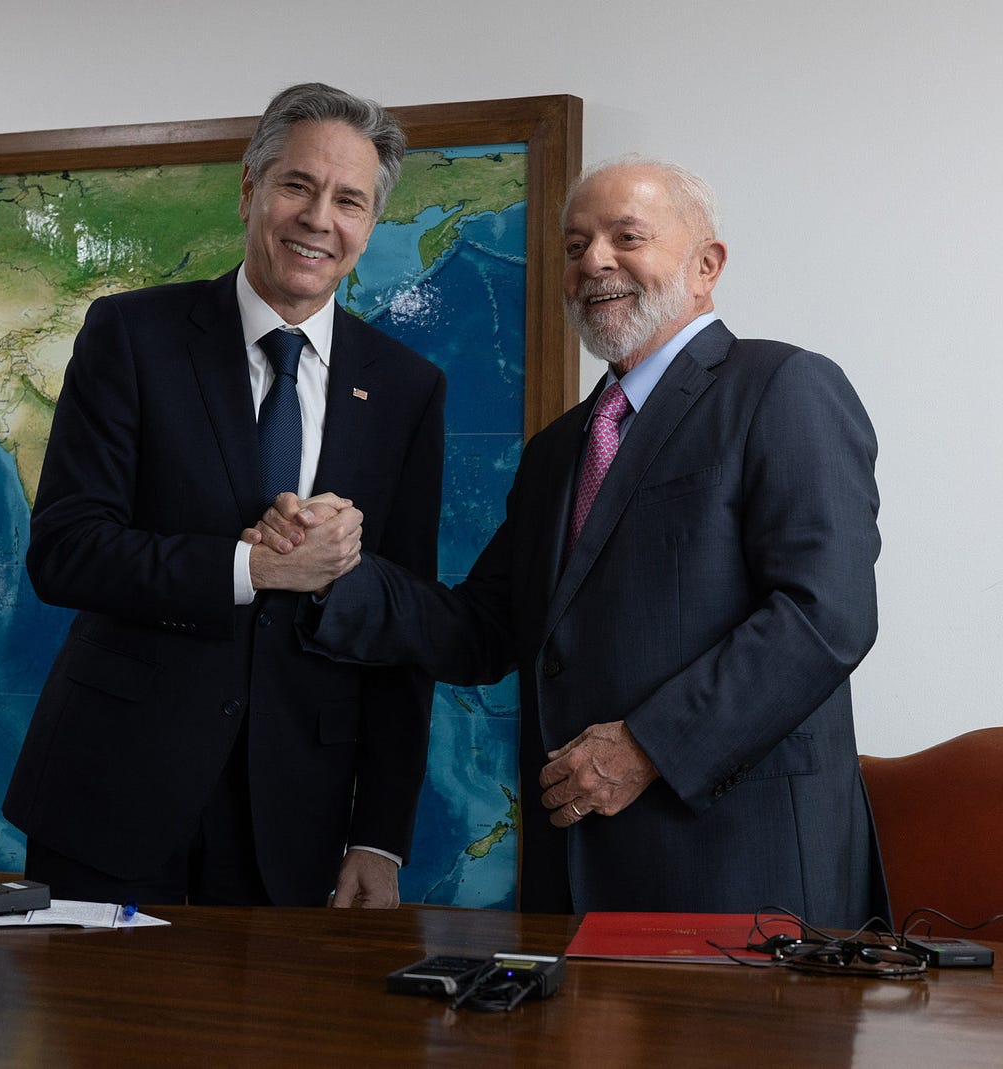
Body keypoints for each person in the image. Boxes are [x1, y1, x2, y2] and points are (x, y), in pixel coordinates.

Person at [254, 155, 887, 928]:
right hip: (580, 885)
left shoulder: (783, 387)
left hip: (743, 878)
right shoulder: (560, 450)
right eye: (576, 244)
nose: (595, 262)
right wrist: (329, 572)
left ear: (706, 265)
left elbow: (826, 614)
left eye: (627, 237)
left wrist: (649, 746)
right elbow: (483, 630)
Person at [1, 83, 447, 908]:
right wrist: (252, 567)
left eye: (349, 200)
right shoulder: (131, 336)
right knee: (96, 1040)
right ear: (249, 190)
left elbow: (404, 621)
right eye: (297, 185)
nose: (320, 218)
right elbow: (65, 550)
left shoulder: (407, 389)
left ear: (370, 226)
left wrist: (379, 834)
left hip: (295, 820)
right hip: (112, 796)